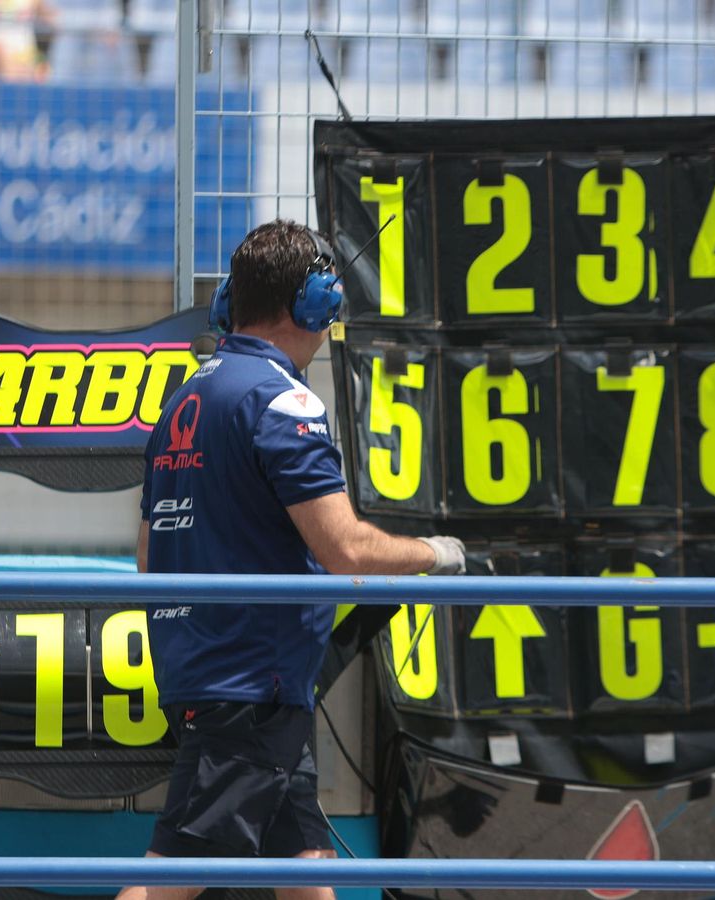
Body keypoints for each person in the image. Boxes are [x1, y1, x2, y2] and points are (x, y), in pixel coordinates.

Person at [121, 219, 467, 900]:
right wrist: (434, 554)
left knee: (306, 867)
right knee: (171, 881)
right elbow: (344, 549)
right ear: (312, 305)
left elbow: (147, 556)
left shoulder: (183, 401)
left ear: (230, 302)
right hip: (254, 688)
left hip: (221, 680)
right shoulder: (283, 401)